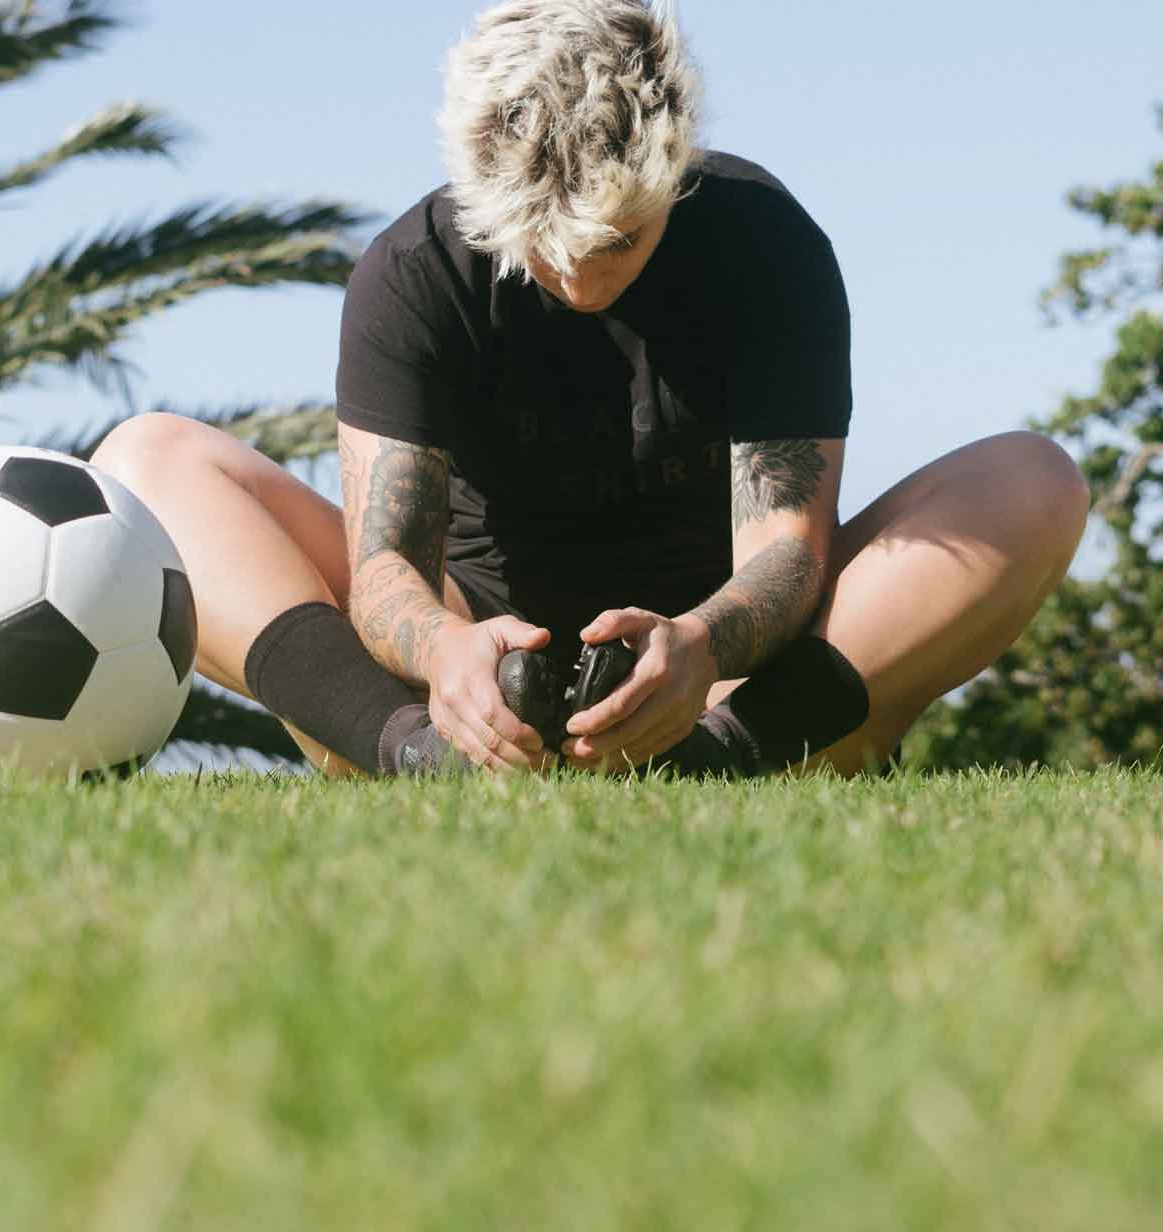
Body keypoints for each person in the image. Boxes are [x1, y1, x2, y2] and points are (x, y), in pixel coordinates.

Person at [93, 0, 1088, 778]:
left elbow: (788, 550)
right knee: (148, 460)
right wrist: (444, 656)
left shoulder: (766, 243)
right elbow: (385, 558)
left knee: (1034, 480)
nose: (578, 281)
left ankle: (720, 762)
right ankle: (419, 763)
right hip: (458, 666)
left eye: (617, 242)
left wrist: (698, 647)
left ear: (677, 168)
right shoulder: (415, 269)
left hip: (720, 671)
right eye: (540, 247)